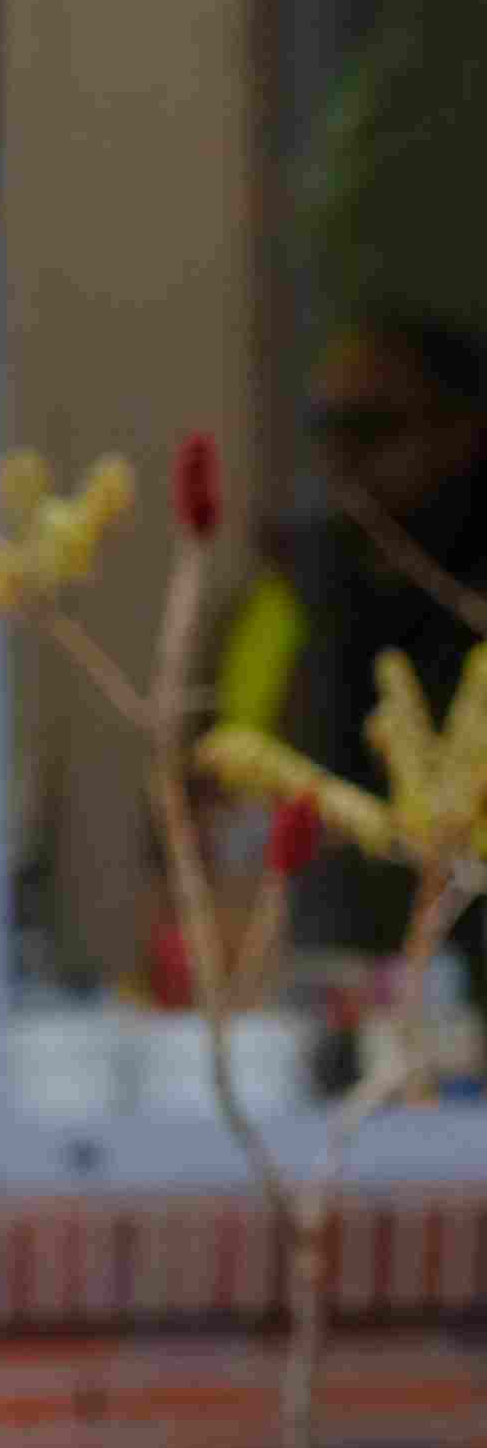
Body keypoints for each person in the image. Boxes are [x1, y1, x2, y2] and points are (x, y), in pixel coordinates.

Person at [221, 312, 487, 966]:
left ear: (461, 430)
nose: (343, 454)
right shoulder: (291, 588)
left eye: (372, 426)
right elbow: (229, 787)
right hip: (338, 968)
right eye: (328, 429)